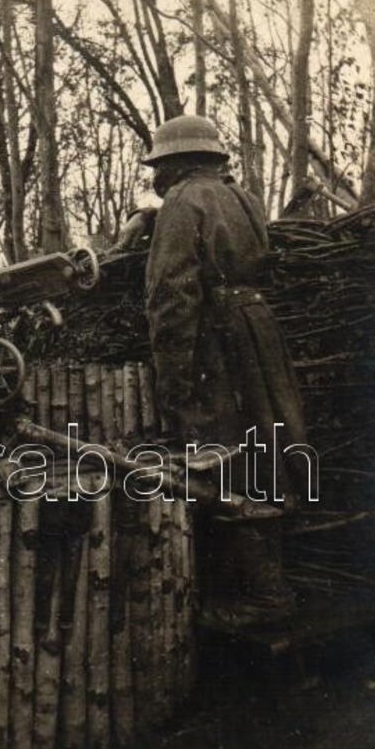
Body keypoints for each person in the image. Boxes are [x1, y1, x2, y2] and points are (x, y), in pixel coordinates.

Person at [121, 115, 309, 628]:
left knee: (217, 455)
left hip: (215, 342)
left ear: (176, 163)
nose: (157, 179)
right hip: (257, 330)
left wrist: (175, 384)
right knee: (266, 450)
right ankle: (270, 589)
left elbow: (170, 298)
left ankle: (261, 599)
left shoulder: (184, 202)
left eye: (159, 167)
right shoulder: (242, 197)